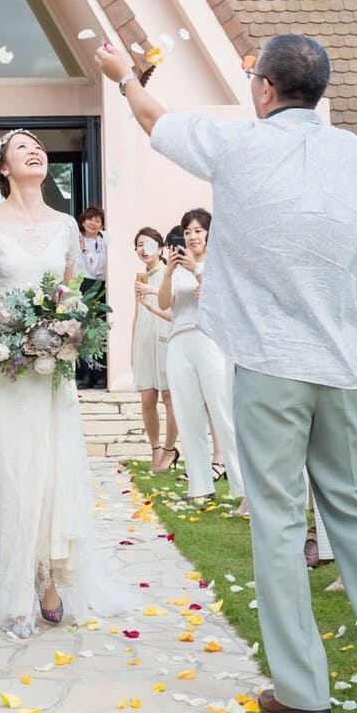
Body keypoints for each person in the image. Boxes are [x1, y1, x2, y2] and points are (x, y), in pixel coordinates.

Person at [96, 33, 357, 713]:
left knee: (280, 522)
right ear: (319, 90)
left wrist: (123, 76)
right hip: (344, 365)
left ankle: (305, 691)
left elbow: (154, 119)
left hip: (269, 365)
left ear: (264, 88)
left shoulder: (236, 145)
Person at [0, 129, 130, 639]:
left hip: (51, 366)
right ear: (3, 167)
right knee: (12, 470)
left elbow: (68, 290)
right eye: (22, 147)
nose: (35, 150)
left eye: (38, 145)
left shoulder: (66, 225)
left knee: (51, 467)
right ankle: (17, 588)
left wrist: (70, 326)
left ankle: (48, 580)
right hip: (2, 365)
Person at [159, 209, 244, 504]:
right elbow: (163, 302)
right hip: (179, 340)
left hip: (210, 341)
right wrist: (169, 272)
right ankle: (199, 485)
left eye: (198, 230)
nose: (192, 236)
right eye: (188, 231)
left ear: (209, 232)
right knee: (187, 414)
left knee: (222, 413)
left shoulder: (219, 264)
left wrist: (197, 269)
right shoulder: (176, 267)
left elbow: (223, 303)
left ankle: (242, 487)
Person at [130, 227, 177, 471]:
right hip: (144, 341)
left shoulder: (170, 274)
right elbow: (137, 315)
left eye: (148, 244)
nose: (143, 249)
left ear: (160, 248)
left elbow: (173, 303)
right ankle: (156, 447)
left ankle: (170, 450)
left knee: (169, 397)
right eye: (139, 245)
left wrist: (153, 290)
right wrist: (132, 349)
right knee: (147, 398)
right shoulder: (140, 277)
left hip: (166, 337)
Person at [76, 205, 108, 387]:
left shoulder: (102, 243)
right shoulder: (76, 240)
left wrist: (85, 251)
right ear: (83, 221)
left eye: (97, 220)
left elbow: (98, 269)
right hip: (80, 286)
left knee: (97, 331)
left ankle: (100, 374)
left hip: (97, 287)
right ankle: (85, 374)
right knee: (81, 331)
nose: (93, 223)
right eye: (90, 219)